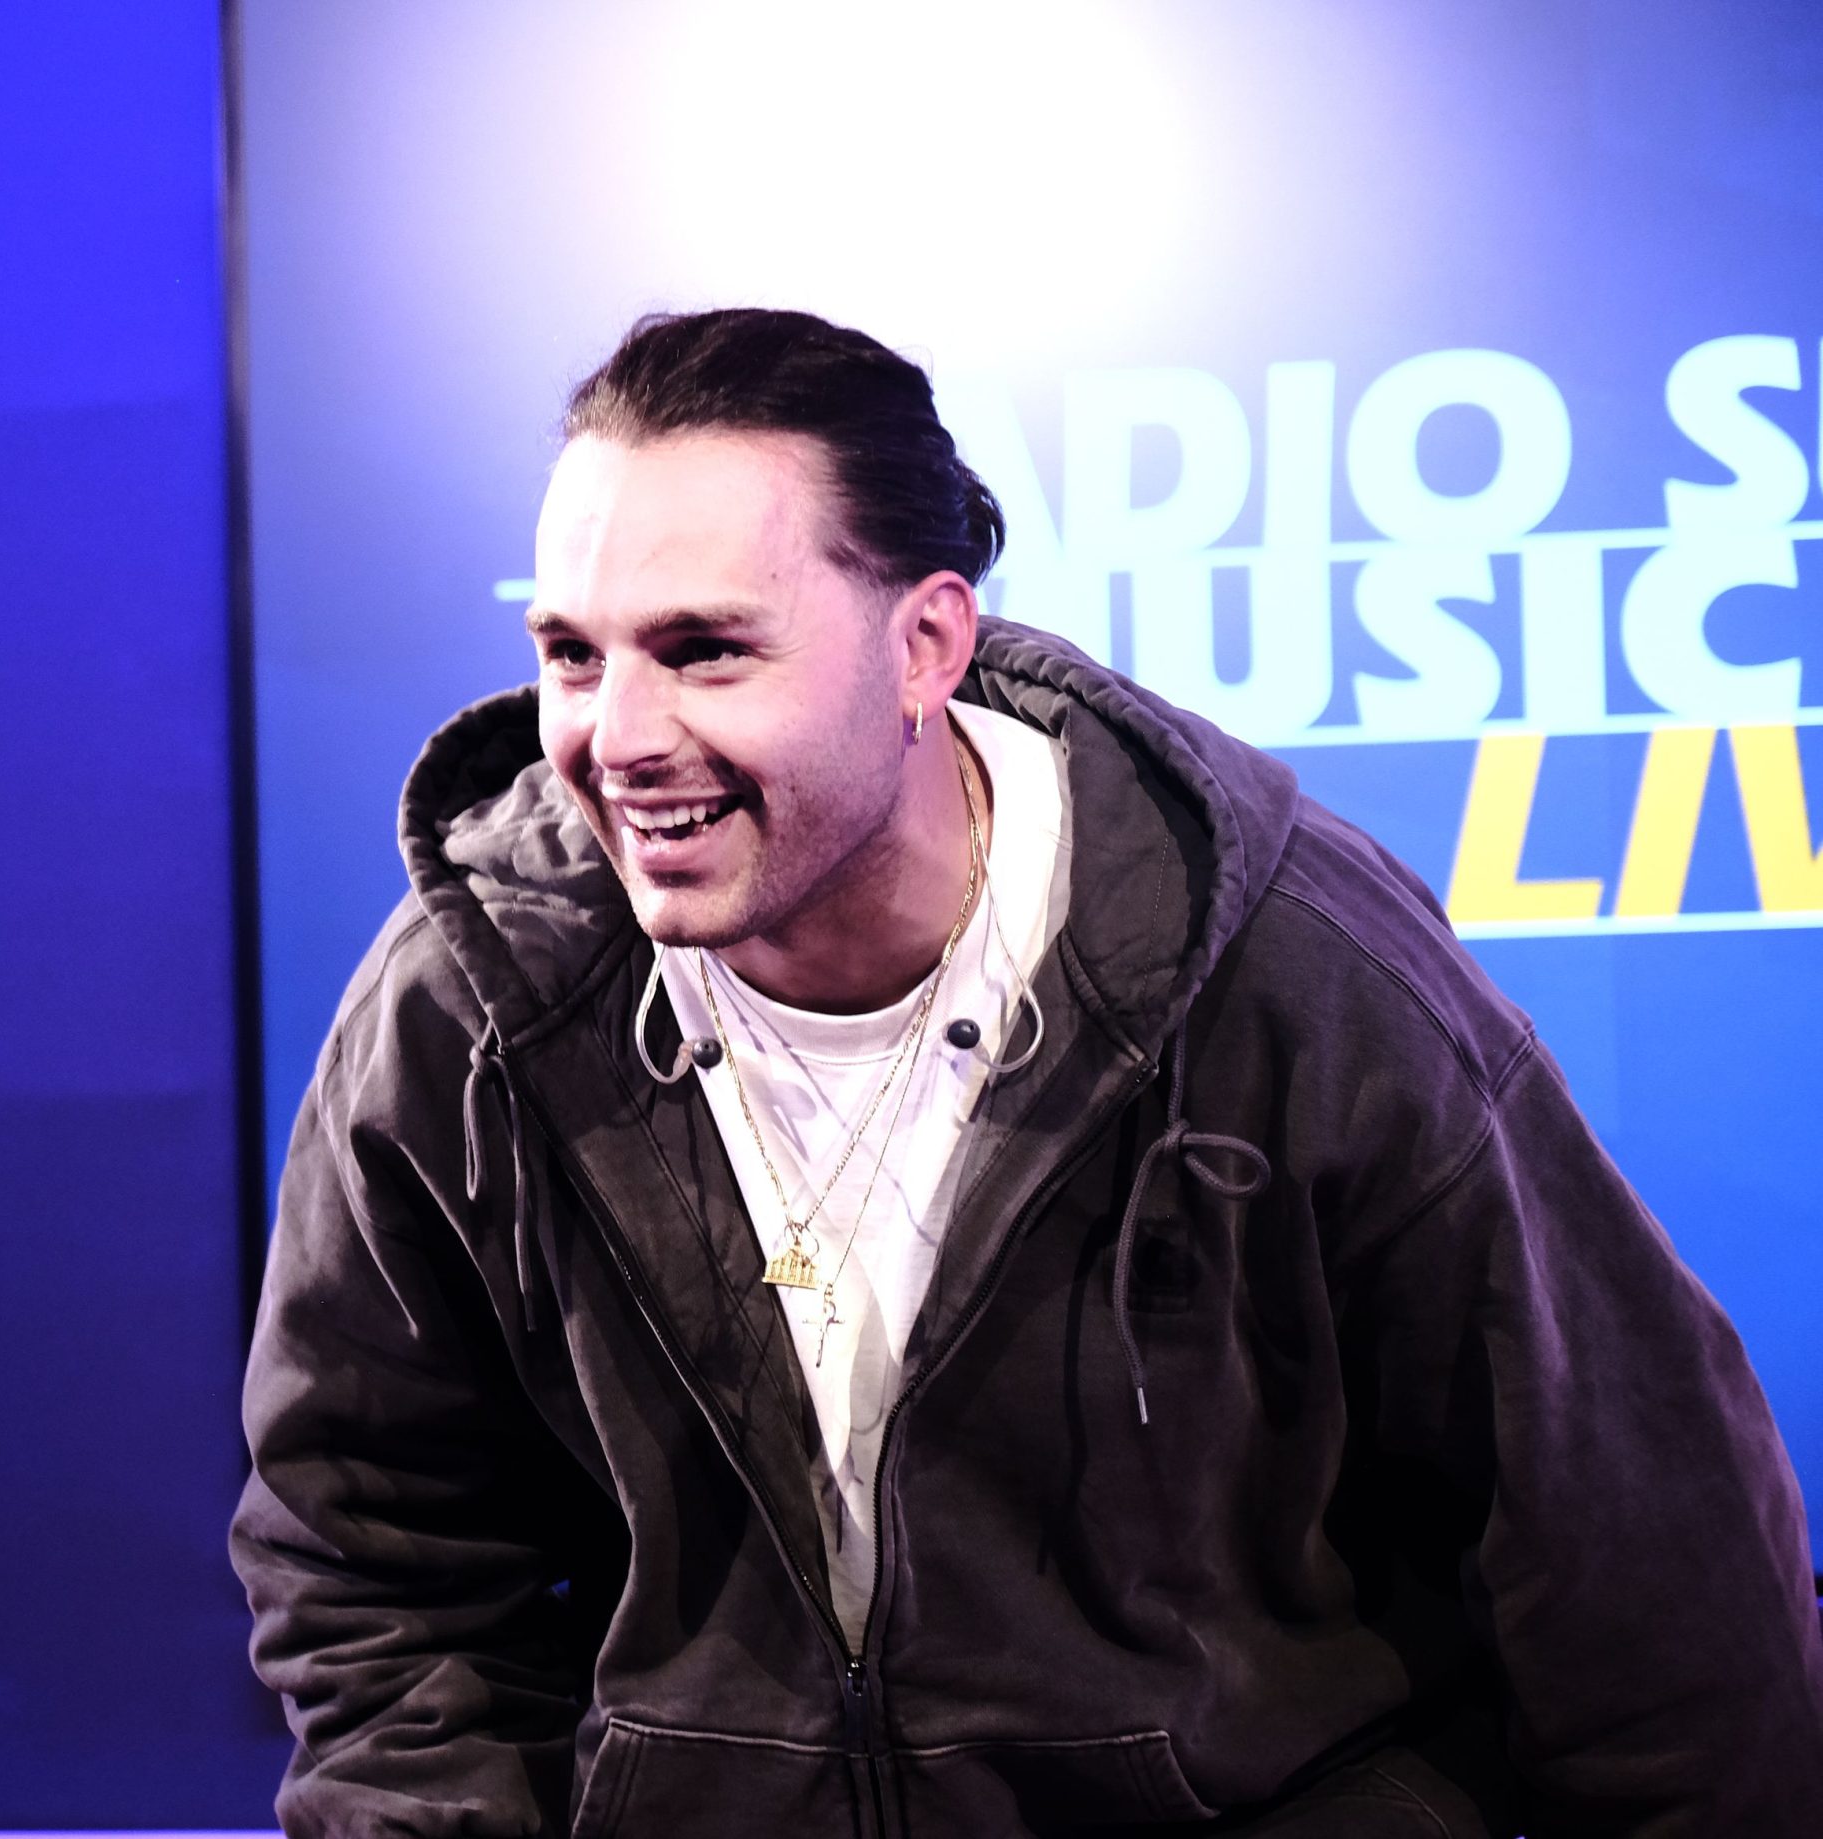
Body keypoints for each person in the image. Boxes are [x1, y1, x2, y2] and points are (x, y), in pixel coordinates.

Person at [230, 308, 1823, 1836]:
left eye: (705, 651)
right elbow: (371, 1553)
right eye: (572, 654)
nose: (614, 736)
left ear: (924, 644)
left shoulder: (1293, 971)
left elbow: (1634, 1539)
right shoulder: (470, 1000)